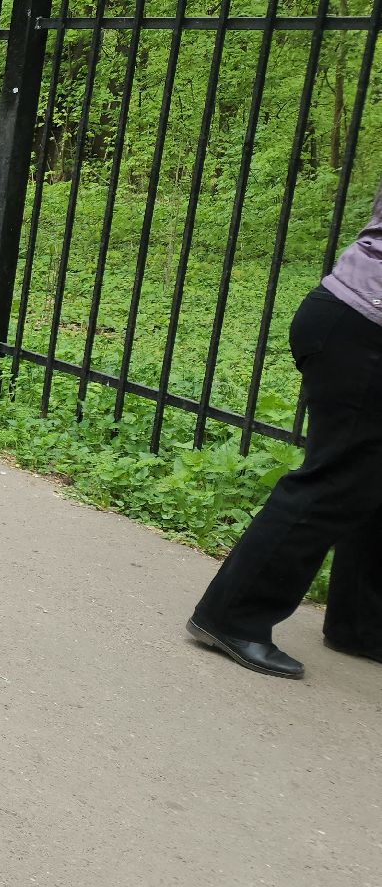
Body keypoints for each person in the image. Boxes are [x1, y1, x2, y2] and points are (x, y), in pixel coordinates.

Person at [188, 177, 382, 679]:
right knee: (337, 480)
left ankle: (360, 624)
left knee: (370, 482)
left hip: (356, 321)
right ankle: (230, 616)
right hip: (364, 328)